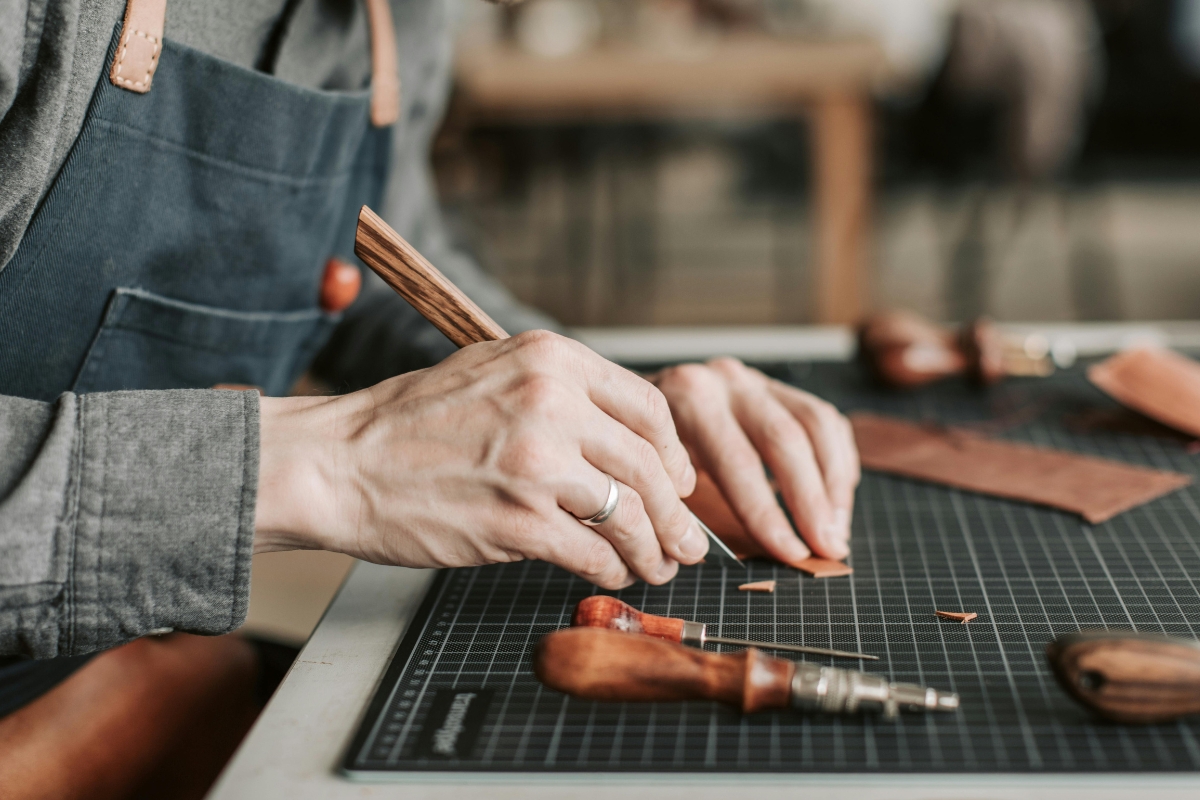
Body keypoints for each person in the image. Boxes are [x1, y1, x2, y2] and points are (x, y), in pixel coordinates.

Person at [0, 0, 858, 750]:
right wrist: (325, 465)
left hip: (117, 667)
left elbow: (373, 266)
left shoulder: (397, 16)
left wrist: (597, 404)